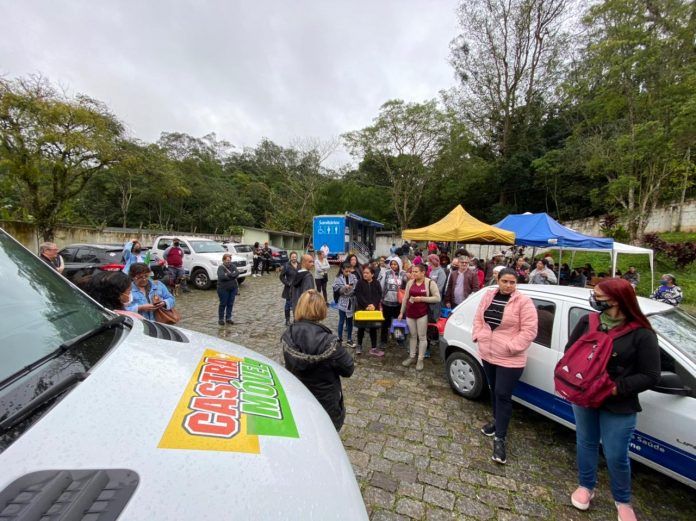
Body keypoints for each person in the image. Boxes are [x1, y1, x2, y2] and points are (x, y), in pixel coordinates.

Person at [566, 278, 660, 521]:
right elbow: (570, 350)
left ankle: (622, 500)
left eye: (597, 295)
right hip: (585, 396)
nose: (593, 298)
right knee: (585, 442)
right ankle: (586, 486)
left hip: (618, 402)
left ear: (616, 300)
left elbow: (650, 375)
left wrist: (616, 388)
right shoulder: (589, 321)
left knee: (616, 453)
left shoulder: (642, 333)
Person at [472, 267, 538, 465]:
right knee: (493, 389)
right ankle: (496, 421)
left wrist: (511, 347)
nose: (508, 286)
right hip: (488, 353)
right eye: (505, 281)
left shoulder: (523, 302)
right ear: (497, 280)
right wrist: (479, 335)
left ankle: (500, 437)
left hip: (510, 357)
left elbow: (529, 330)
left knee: (502, 393)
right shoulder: (488, 295)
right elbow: (478, 318)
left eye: (512, 282)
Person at [281, 290, 354, 431]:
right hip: (325, 402)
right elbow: (348, 368)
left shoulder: (288, 335)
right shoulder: (329, 341)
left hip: (298, 398)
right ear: (321, 309)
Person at [398, 263, 441, 371]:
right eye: (412, 271)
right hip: (410, 313)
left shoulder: (430, 282)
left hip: (422, 314)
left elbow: (437, 298)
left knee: (422, 337)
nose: (413, 273)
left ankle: (420, 359)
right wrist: (401, 312)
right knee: (412, 336)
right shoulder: (410, 283)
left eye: (416, 271)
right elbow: (405, 298)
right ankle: (412, 357)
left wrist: (421, 299)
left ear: (423, 272)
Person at [355, 265, 384, 356]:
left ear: (372, 274)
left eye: (367, 273)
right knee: (361, 328)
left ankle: (374, 348)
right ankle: (359, 345)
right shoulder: (360, 283)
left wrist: (374, 305)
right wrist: (367, 305)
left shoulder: (376, 283)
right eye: (364, 273)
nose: (365, 274)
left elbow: (379, 295)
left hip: (373, 310)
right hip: (362, 309)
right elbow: (358, 295)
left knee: (373, 328)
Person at [380, 257, 407, 346]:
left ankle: (399, 339)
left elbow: (407, 284)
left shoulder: (403, 274)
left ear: (399, 264)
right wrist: (381, 299)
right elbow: (382, 285)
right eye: (392, 264)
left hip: (398, 303)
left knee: (398, 321)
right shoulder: (386, 273)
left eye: (395, 264)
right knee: (385, 322)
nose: (393, 266)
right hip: (387, 302)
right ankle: (383, 340)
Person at [332, 262, 357, 347]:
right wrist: (344, 288)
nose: (348, 273)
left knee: (350, 321)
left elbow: (356, 287)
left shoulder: (353, 277)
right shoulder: (338, 278)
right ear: (342, 270)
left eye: (350, 271)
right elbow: (336, 289)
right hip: (342, 301)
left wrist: (352, 288)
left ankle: (349, 339)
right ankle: (339, 338)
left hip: (351, 301)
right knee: (341, 320)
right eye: (346, 271)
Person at [216, 253, 239, 325]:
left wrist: (228, 274)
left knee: (230, 304)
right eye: (227, 260)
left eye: (229, 260)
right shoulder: (221, 268)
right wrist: (232, 275)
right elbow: (222, 277)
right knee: (223, 304)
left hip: (233, 289)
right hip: (223, 289)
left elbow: (237, 273)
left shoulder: (233, 266)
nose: (228, 261)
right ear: (223, 260)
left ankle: (228, 318)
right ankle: (221, 319)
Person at [280, 252, 300, 325]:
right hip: (289, 289)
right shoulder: (286, 265)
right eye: (292, 257)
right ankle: (287, 320)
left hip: (298, 288)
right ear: (290, 257)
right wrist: (287, 283)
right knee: (288, 304)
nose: (294, 258)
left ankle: (296, 319)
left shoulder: (300, 265)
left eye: (295, 257)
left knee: (298, 304)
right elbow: (281, 277)